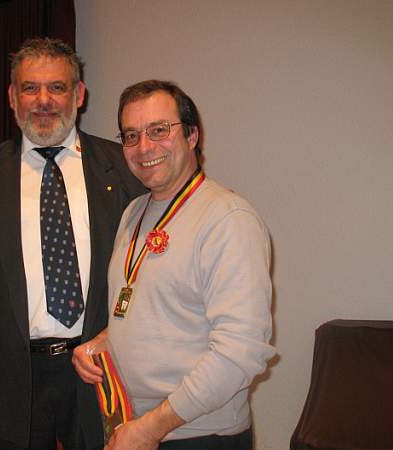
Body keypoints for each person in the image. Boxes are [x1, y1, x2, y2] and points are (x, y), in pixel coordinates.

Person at [0, 38, 145, 450]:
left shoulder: (122, 166)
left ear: (79, 94)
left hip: (101, 366)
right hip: (12, 371)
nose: (43, 101)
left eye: (57, 87)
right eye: (30, 88)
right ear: (12, 97)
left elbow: (149, 266)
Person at [72, 80, 276, 450]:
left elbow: (240, 352)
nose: (144, 147)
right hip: (134, 424)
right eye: (131, 136)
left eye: (159, 130)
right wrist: (104, 342)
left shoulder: (228, 219)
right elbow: (154, 309)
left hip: (197, 435)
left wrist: (149, 429)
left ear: (192, 135)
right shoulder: (134, 212)